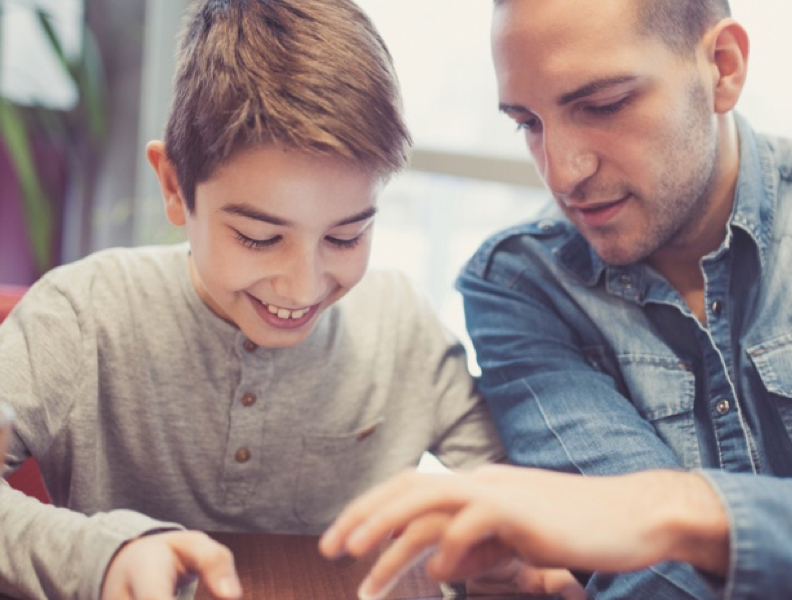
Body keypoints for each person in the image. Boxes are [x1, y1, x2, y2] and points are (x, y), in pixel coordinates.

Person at [322, 0, 792, 598]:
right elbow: (652, 581)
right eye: (527, 123)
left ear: (723, 66)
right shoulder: (521, 286)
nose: (562, 173)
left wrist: (680, 509)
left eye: (603, 106)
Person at [0, 1, 508, 598]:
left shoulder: (403, 328)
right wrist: (102, 558)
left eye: (346, 236)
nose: (302, 286)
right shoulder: (81, 316)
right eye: (259, 238)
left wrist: (510, 552)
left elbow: (515, 498)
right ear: (173, 186)